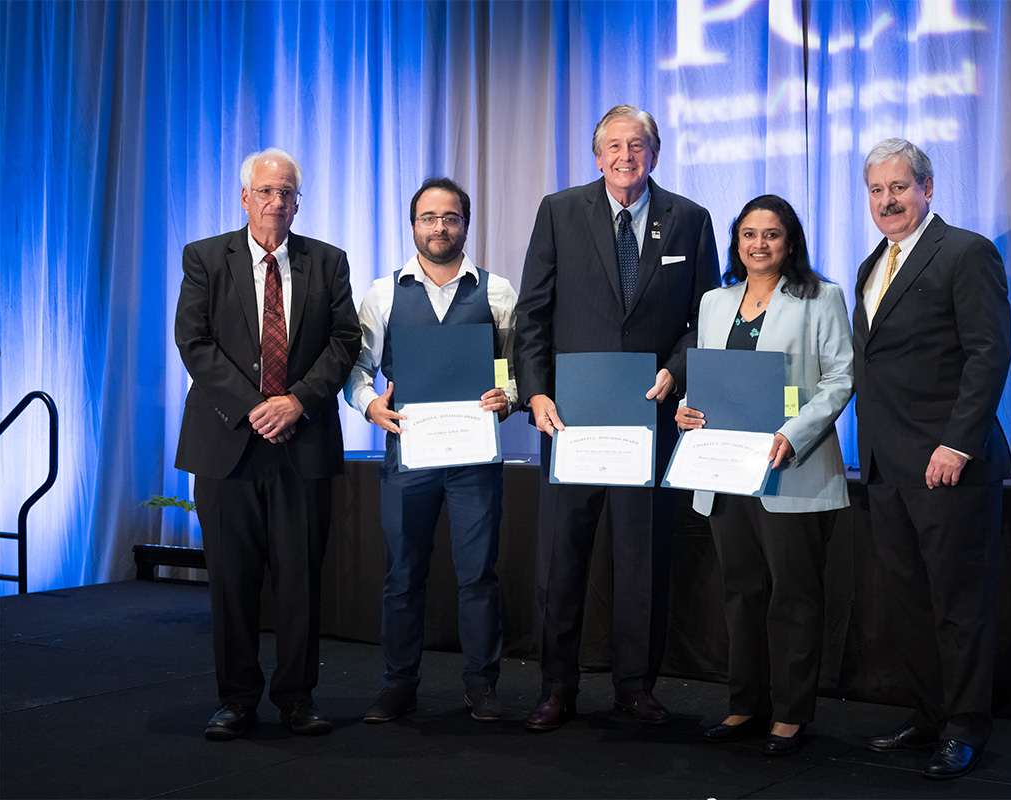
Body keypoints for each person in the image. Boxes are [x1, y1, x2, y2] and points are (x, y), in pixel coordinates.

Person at [514, 104, 720, 730]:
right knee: (562, 558)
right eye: (614, 145)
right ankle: (556, 686)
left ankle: (635, 685)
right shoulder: (558, 211)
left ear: (655, 153)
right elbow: (532, 316)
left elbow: (703, 318)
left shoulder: (690, 219)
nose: (626, 156)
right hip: (569, 419)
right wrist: (535, 393)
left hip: (648, 418)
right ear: (596, 154)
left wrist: (675, 371)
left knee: (642, 560)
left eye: (638, 145)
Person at [175, 148, 361, 740]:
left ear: (297, 202)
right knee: (231, 580)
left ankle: (297, 698)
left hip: (301, 440)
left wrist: (297, 400)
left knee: (301, 578)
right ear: (244, 197)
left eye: (288, 193)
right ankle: (235, 699)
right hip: (227, 441)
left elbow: (345, 340)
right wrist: (256, 405)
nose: (277, 202)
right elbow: (194, 341)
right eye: (266, 191)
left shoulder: (328, 262)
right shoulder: (205, 257)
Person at [852, 138, 1011, 780]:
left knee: (958, 601)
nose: (888, 201)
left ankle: (967, 726)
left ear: (927, 187)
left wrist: (958, 441)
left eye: (899, 187)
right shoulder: (872, 262)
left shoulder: (966, 252)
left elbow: (987, 354)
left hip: (949, 463)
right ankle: (929, 713)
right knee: (908, 600)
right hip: (887, 466)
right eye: (876, 190)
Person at [676, 195, 853, 757]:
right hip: (726, 470)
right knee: (740, 591)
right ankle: (744, 704)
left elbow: (840, 379)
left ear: (790, 241)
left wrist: (792, 435)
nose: (759, 245)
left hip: (791, 468)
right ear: (737, 242)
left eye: (771, 235)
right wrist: (688, 407)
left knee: (794, 596)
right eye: (749, 234)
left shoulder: (821, 297)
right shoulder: (713, 302)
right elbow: (710, 379)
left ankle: (792, 713)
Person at [344, 178, 517, 724]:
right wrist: (370, 406)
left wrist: (508, 395)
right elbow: (357, 368)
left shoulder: (497, 292)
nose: (439, 227)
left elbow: (518, 366)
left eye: (450, 218)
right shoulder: (383, 292)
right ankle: (398, 684)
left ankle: (482, 685)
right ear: (413, 224)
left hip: (474, 459)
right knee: (402, 575)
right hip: (409, 453)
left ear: (466, 224)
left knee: (479, 576)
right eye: (428, 218)